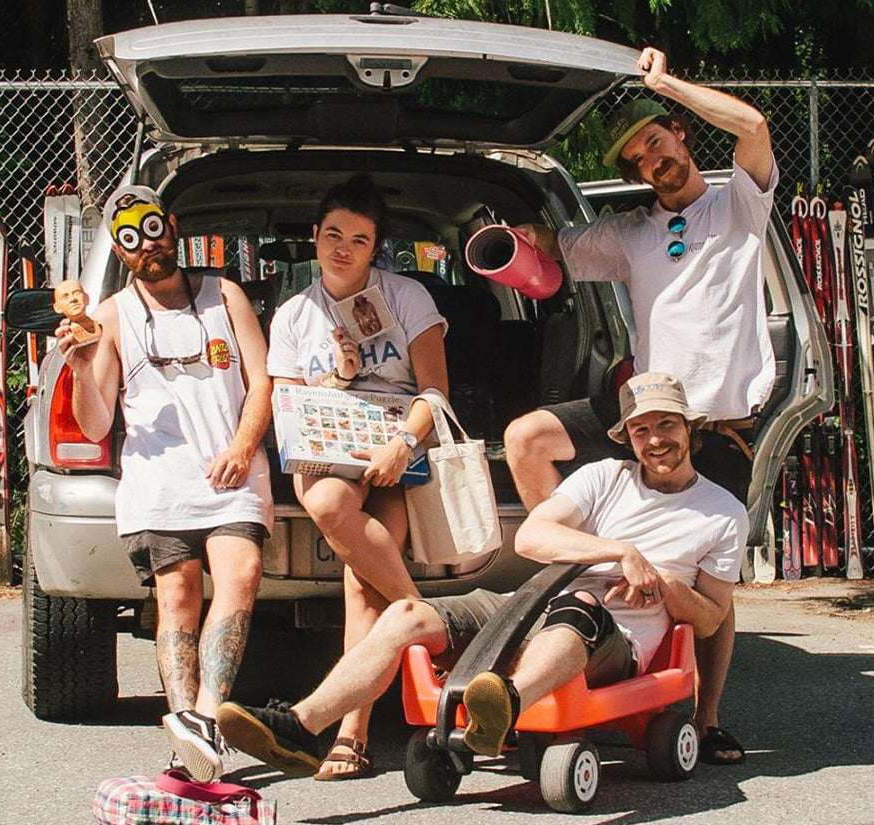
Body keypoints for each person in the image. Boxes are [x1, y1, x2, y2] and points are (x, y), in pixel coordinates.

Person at [216, 372, 744, 774]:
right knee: (407, 613)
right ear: (626, 437)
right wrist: (618, 551)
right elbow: (534, 537)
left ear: (689, 428)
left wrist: (665, 583)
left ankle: (505, 705)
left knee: (580, 608)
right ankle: (301, 726)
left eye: (666, 425)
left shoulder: (722, 513)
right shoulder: (605, 477)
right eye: (641, 429)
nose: (655, 441)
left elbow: (711, 617)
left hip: (614, 639)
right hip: (531, 605)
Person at [501, 46, 777, 765]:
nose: (654, 160)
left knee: (710, 582)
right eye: (639, 158)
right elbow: (554, 250)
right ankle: (570, 583)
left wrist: (663, 84)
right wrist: (511, 238)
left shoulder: (738, 206)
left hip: (716, 425)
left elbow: (751, 123)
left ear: (682, 133)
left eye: (658, 140)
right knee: (527, 437)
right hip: (647, 413)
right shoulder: (631, 234)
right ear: (633, 175)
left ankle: (705, 717)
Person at [58, 183, 273, 783]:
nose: (146, 247)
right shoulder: (108, 317)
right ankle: (189, 732)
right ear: (120, 253)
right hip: (159, 484)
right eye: (130, 240)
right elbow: (97, 420)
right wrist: (80, 362)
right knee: (176, 596)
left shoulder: (223, 294)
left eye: (152, 230)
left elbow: (262, 382)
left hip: (231, 470)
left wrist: (241, 446)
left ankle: (204, 721)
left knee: (242, 575)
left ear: (172, 227)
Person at [266, 173, 450, 780]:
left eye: (361, 240)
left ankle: (351, 734)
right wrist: (341, 377)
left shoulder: (406, 297)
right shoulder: (293, 315)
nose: (343, 249)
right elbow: (289, 404)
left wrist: (402, 444)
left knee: (362, 584)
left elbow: (434, 392)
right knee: (327, 506)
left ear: (377, 249)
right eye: (334, 235)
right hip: (328, 436)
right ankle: (429, 622)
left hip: (400, 436)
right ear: (315, 236)